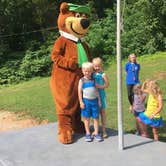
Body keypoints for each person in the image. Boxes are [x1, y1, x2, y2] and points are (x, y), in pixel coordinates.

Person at [78, 62, 103, 142]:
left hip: (94, 101)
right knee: (87, 118)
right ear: (82, 71)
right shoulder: (81, 80)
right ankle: (88, 133)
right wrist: (81, 102)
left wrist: (99, 100)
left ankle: (96, 133)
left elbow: (97, 90)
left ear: (91, 71)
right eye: (85, 71)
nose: (87, 73)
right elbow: (79, 92)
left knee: (96, 117)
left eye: (89, 71)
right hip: (86, 102)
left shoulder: (94, 80)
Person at [92, 57, 109, 138]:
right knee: (95, 114)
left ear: (101, 65)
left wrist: (100, 86)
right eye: (95, 66)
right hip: (94, 95)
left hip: (101, 95)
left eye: (98, 66)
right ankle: (96, 130)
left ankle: (104, 130)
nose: (97, 68)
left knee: (102, 113)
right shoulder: (92, 74)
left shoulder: (103, 74)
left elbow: (107, 84)